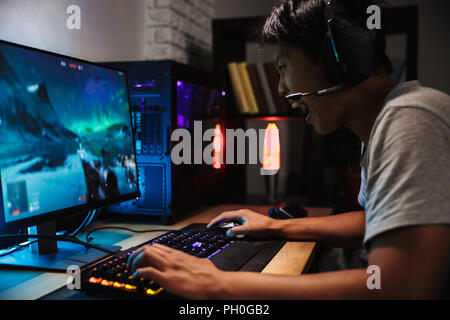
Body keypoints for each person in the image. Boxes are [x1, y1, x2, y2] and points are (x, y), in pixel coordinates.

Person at [127, 0, 450, 299]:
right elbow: (374, 220)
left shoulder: (410, 119)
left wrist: (218, 284)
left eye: (282, 67)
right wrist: (276, 226)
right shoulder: (388, 119)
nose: (281, 89)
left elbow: (400, 286)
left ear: (334, 63)